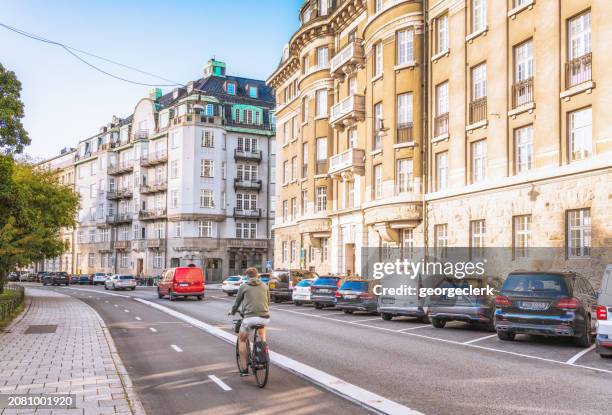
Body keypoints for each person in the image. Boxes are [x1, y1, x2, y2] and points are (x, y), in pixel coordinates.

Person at [229, 267, 270, 375]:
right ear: (257, 275)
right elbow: (268, 302)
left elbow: (237, 303)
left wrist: (233, 312)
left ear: (247, 276)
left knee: (242, 340)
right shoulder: (265, 286)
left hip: (249, 318)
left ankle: (244, 368)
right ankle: (263, 346)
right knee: (262, 330)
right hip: (264, 317)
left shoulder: (244, 286)